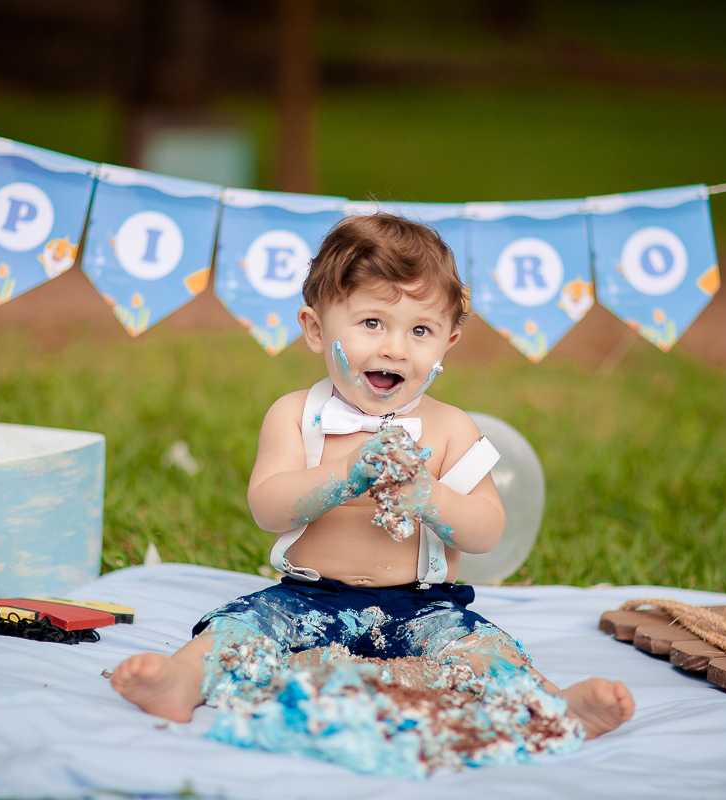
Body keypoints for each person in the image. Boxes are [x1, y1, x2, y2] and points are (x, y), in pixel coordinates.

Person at [111, 213, 634, 740]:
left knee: (483, 650)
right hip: (309, 597)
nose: (396, 348)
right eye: (372, 323)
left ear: (447, 344)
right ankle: (183, 679)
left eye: (420, 330)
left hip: (422, 605)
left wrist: (431, 497)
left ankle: (549, 705)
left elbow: (487, 530)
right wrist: (341, 474)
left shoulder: (451, 428)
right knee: (243, 626)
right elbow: (268, 507)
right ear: (317, 330)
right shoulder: (296, 414)